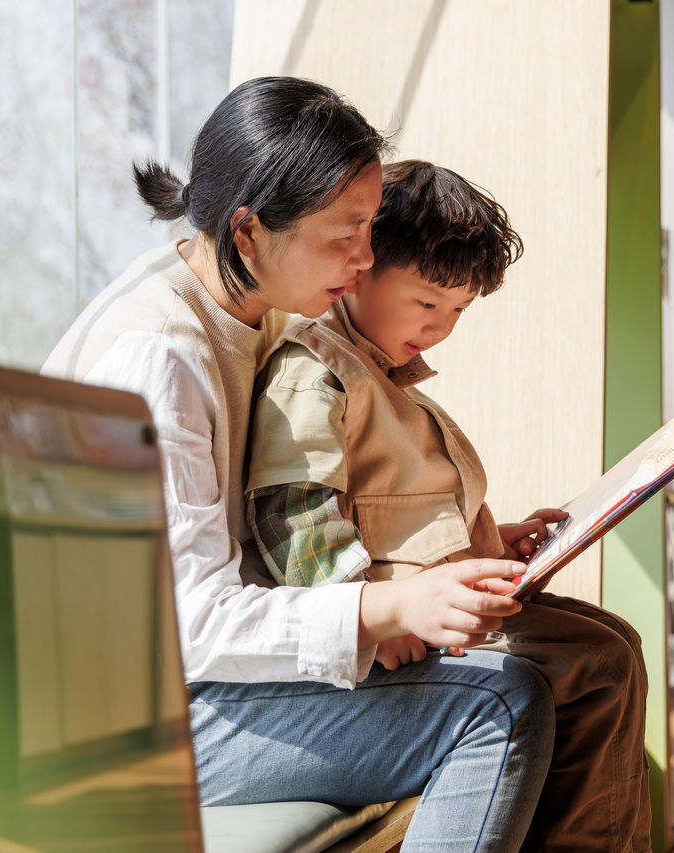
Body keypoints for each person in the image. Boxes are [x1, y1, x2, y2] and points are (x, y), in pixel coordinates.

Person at [41, 77, 556, 852]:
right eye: (345, 233)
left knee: (542, 661)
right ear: (248, 232)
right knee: (501, 704)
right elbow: (193, 624)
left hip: (176, 689)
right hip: (122, 722)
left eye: (370, 228)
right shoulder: (160, 357)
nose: (366, 257)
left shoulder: (250, 304)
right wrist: (388, 607)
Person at [245, 160, 651, 851]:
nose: (441, 328)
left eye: (459, 311)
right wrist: (367, 614)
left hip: (434, 613)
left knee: (613, 643)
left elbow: (403, 510)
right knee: (599, 658)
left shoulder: (386, 380)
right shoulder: (317, 368)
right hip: (389, 636)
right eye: (427, 303)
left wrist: (502, 538)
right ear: (362, 268)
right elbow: (293, 509)